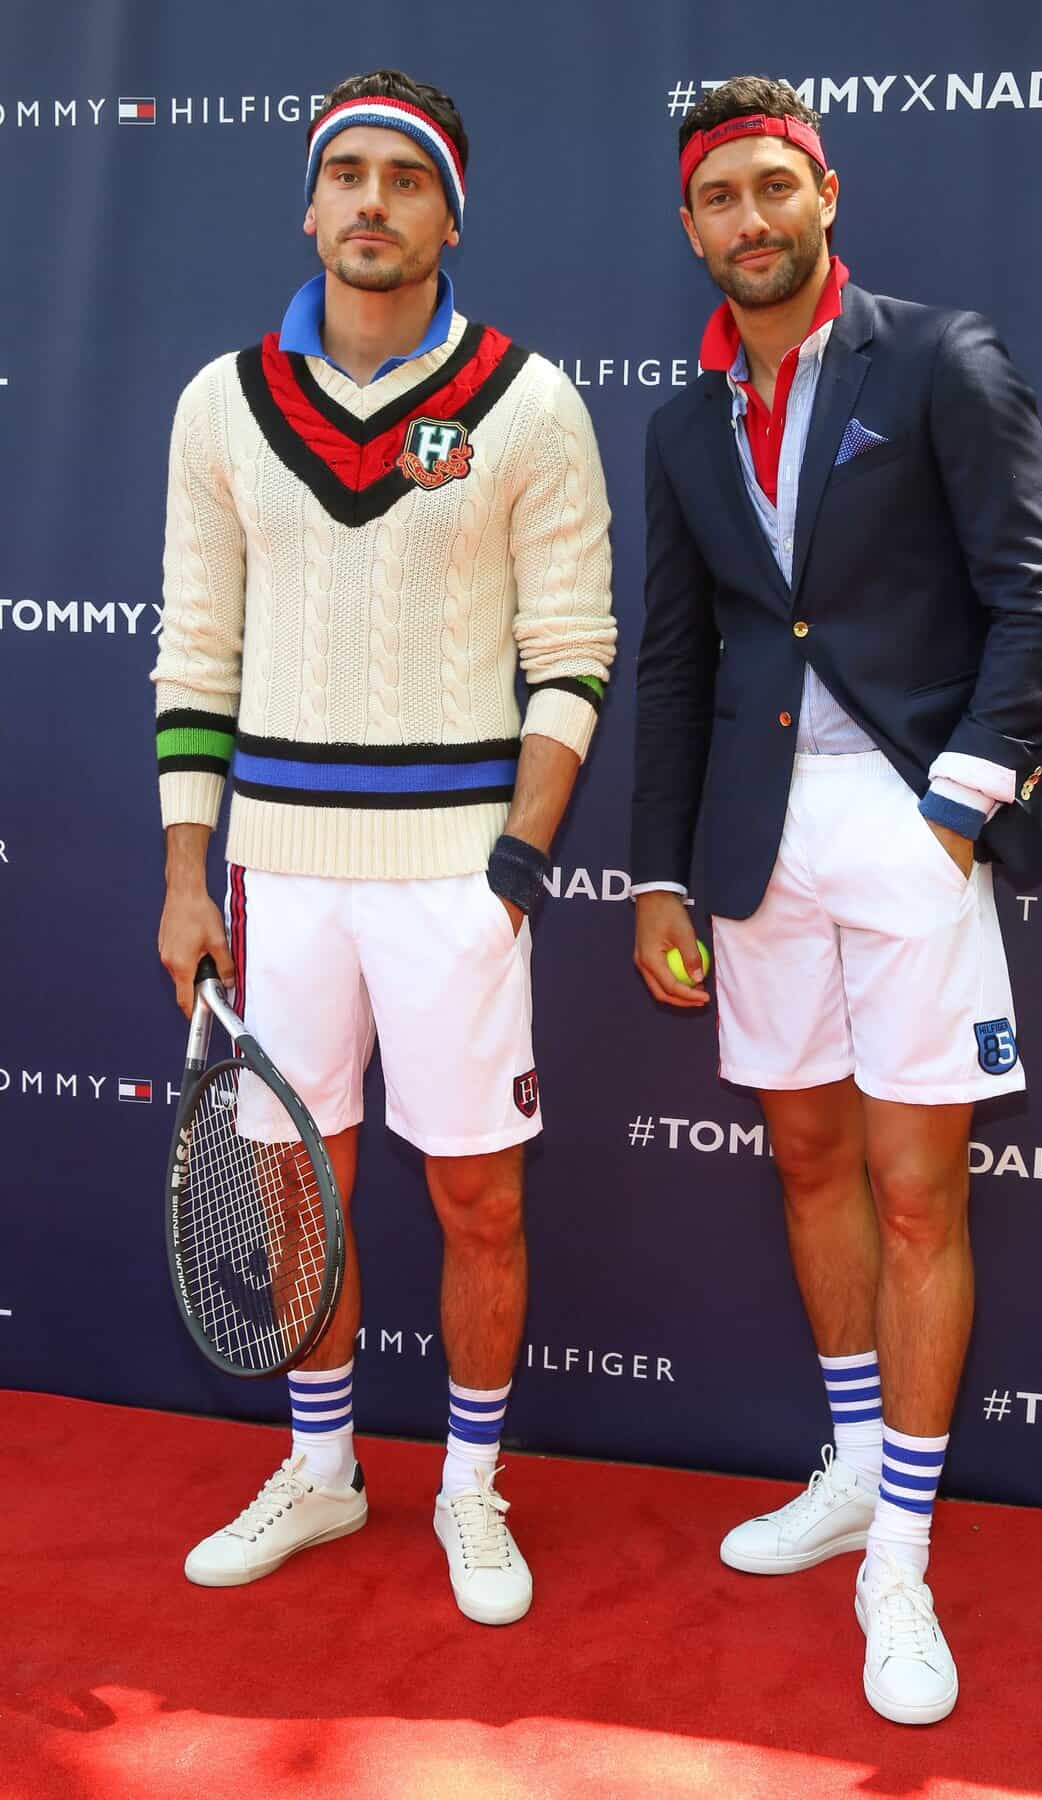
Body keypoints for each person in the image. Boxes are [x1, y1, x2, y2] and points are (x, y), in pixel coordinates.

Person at [631, 76, 1042, 1722]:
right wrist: (662, 866)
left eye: (774, 187)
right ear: (691, 227)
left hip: (909, 821)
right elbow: (676, 659)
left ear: (827, 196)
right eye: (719, 198)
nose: (749, 221)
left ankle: (902, 1552)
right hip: (755, 844)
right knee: (812, 1159)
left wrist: (956, 812)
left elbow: (1041, 604)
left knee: (913, 1196)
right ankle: (845, 1471)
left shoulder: (941, 357)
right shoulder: (683, 424)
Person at [154, 67, 615, 1626]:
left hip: (454, 879)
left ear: (449, 215)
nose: (371, 201)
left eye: (404, 179)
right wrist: (185, 875)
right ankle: (325, 1466)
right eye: (345, 174)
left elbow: (573, 651)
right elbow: (195, 654)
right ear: (309, 207)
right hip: (279, 876)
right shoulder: (220, 405)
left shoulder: (529, 402)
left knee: (480, 1203)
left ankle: (471, 1487)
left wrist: (517, 863)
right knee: (301, 1197)